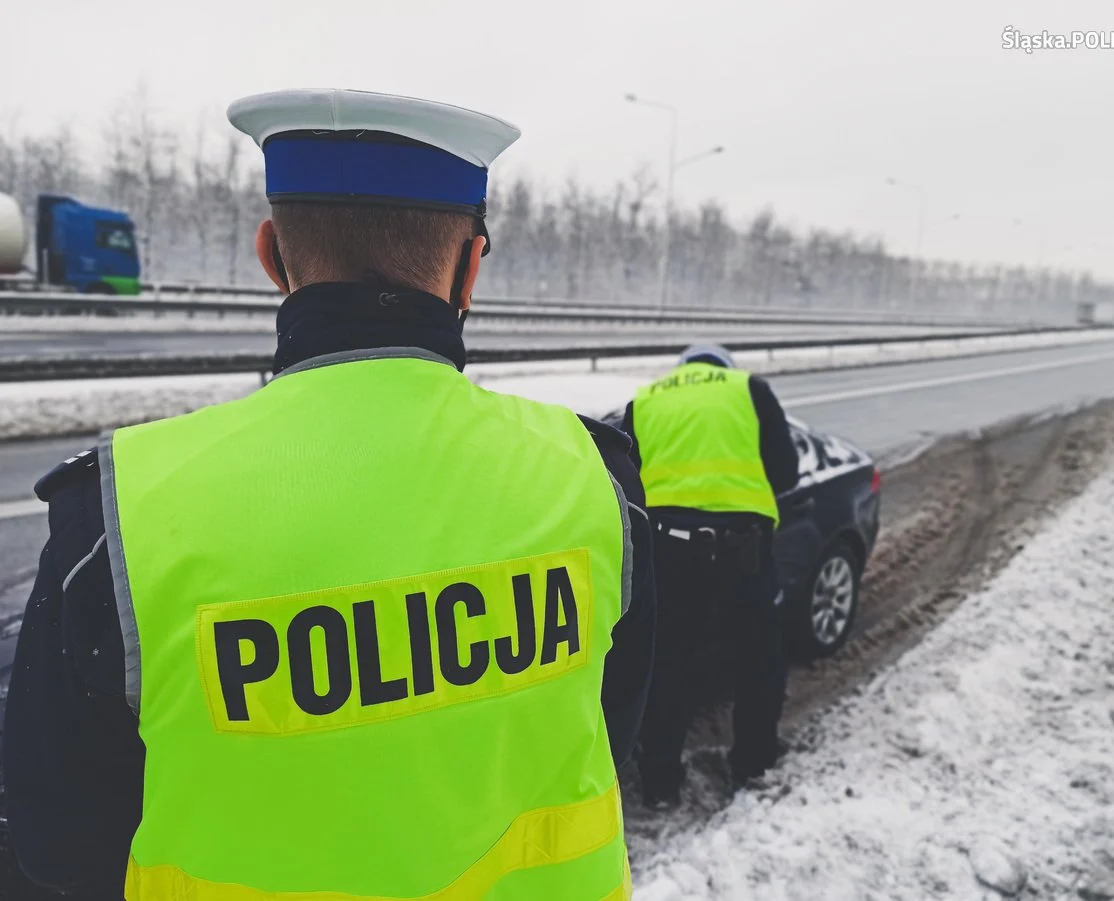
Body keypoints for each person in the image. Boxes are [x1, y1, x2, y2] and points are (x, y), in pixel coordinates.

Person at [3, 89, 655, 901]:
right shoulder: (593, 477)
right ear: (471, 269)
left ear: (273, 255)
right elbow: (608, 721)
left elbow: (56, 841)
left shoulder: (120, 514)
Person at [621, 343, 798, 808]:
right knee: (759, 664)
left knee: (668, 667)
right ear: (723, 368)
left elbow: (628, 479)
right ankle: (752, 766)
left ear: (683, 371)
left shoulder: (647, 399)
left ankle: (660, 782)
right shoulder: (748, 389)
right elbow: (787, 472)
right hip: (741, 552)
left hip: (667, 551)